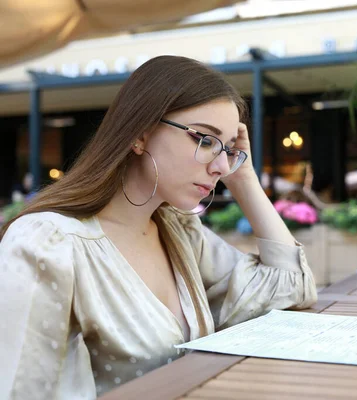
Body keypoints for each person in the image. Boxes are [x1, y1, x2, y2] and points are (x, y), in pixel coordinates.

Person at [0, 56, 317, 399]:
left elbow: (292, 287)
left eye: (228, 149)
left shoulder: (178, 232)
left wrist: (245, 179)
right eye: (206, 140)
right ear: (140, 134)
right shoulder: (47, 243)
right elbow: (20, 389)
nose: (222, 166)